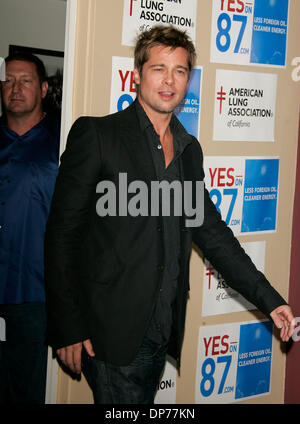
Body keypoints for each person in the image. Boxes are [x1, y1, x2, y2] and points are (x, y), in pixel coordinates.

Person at [44, 25, 294, 404]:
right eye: (159, 68)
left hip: (162, 333)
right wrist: (66, 327)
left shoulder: (188, 150)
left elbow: (213, 234)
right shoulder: (97, 136)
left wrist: (271, 299)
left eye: (179, 70)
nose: (169, 80)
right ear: (138, 74)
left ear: (188, 80)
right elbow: (61, 236)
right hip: (109, 334)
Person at [0, 53, 60, 404]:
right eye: (8, 80)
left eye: (25, 80)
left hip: (35, 296)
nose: (16, 88)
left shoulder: (63, 141)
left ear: (44, 88)